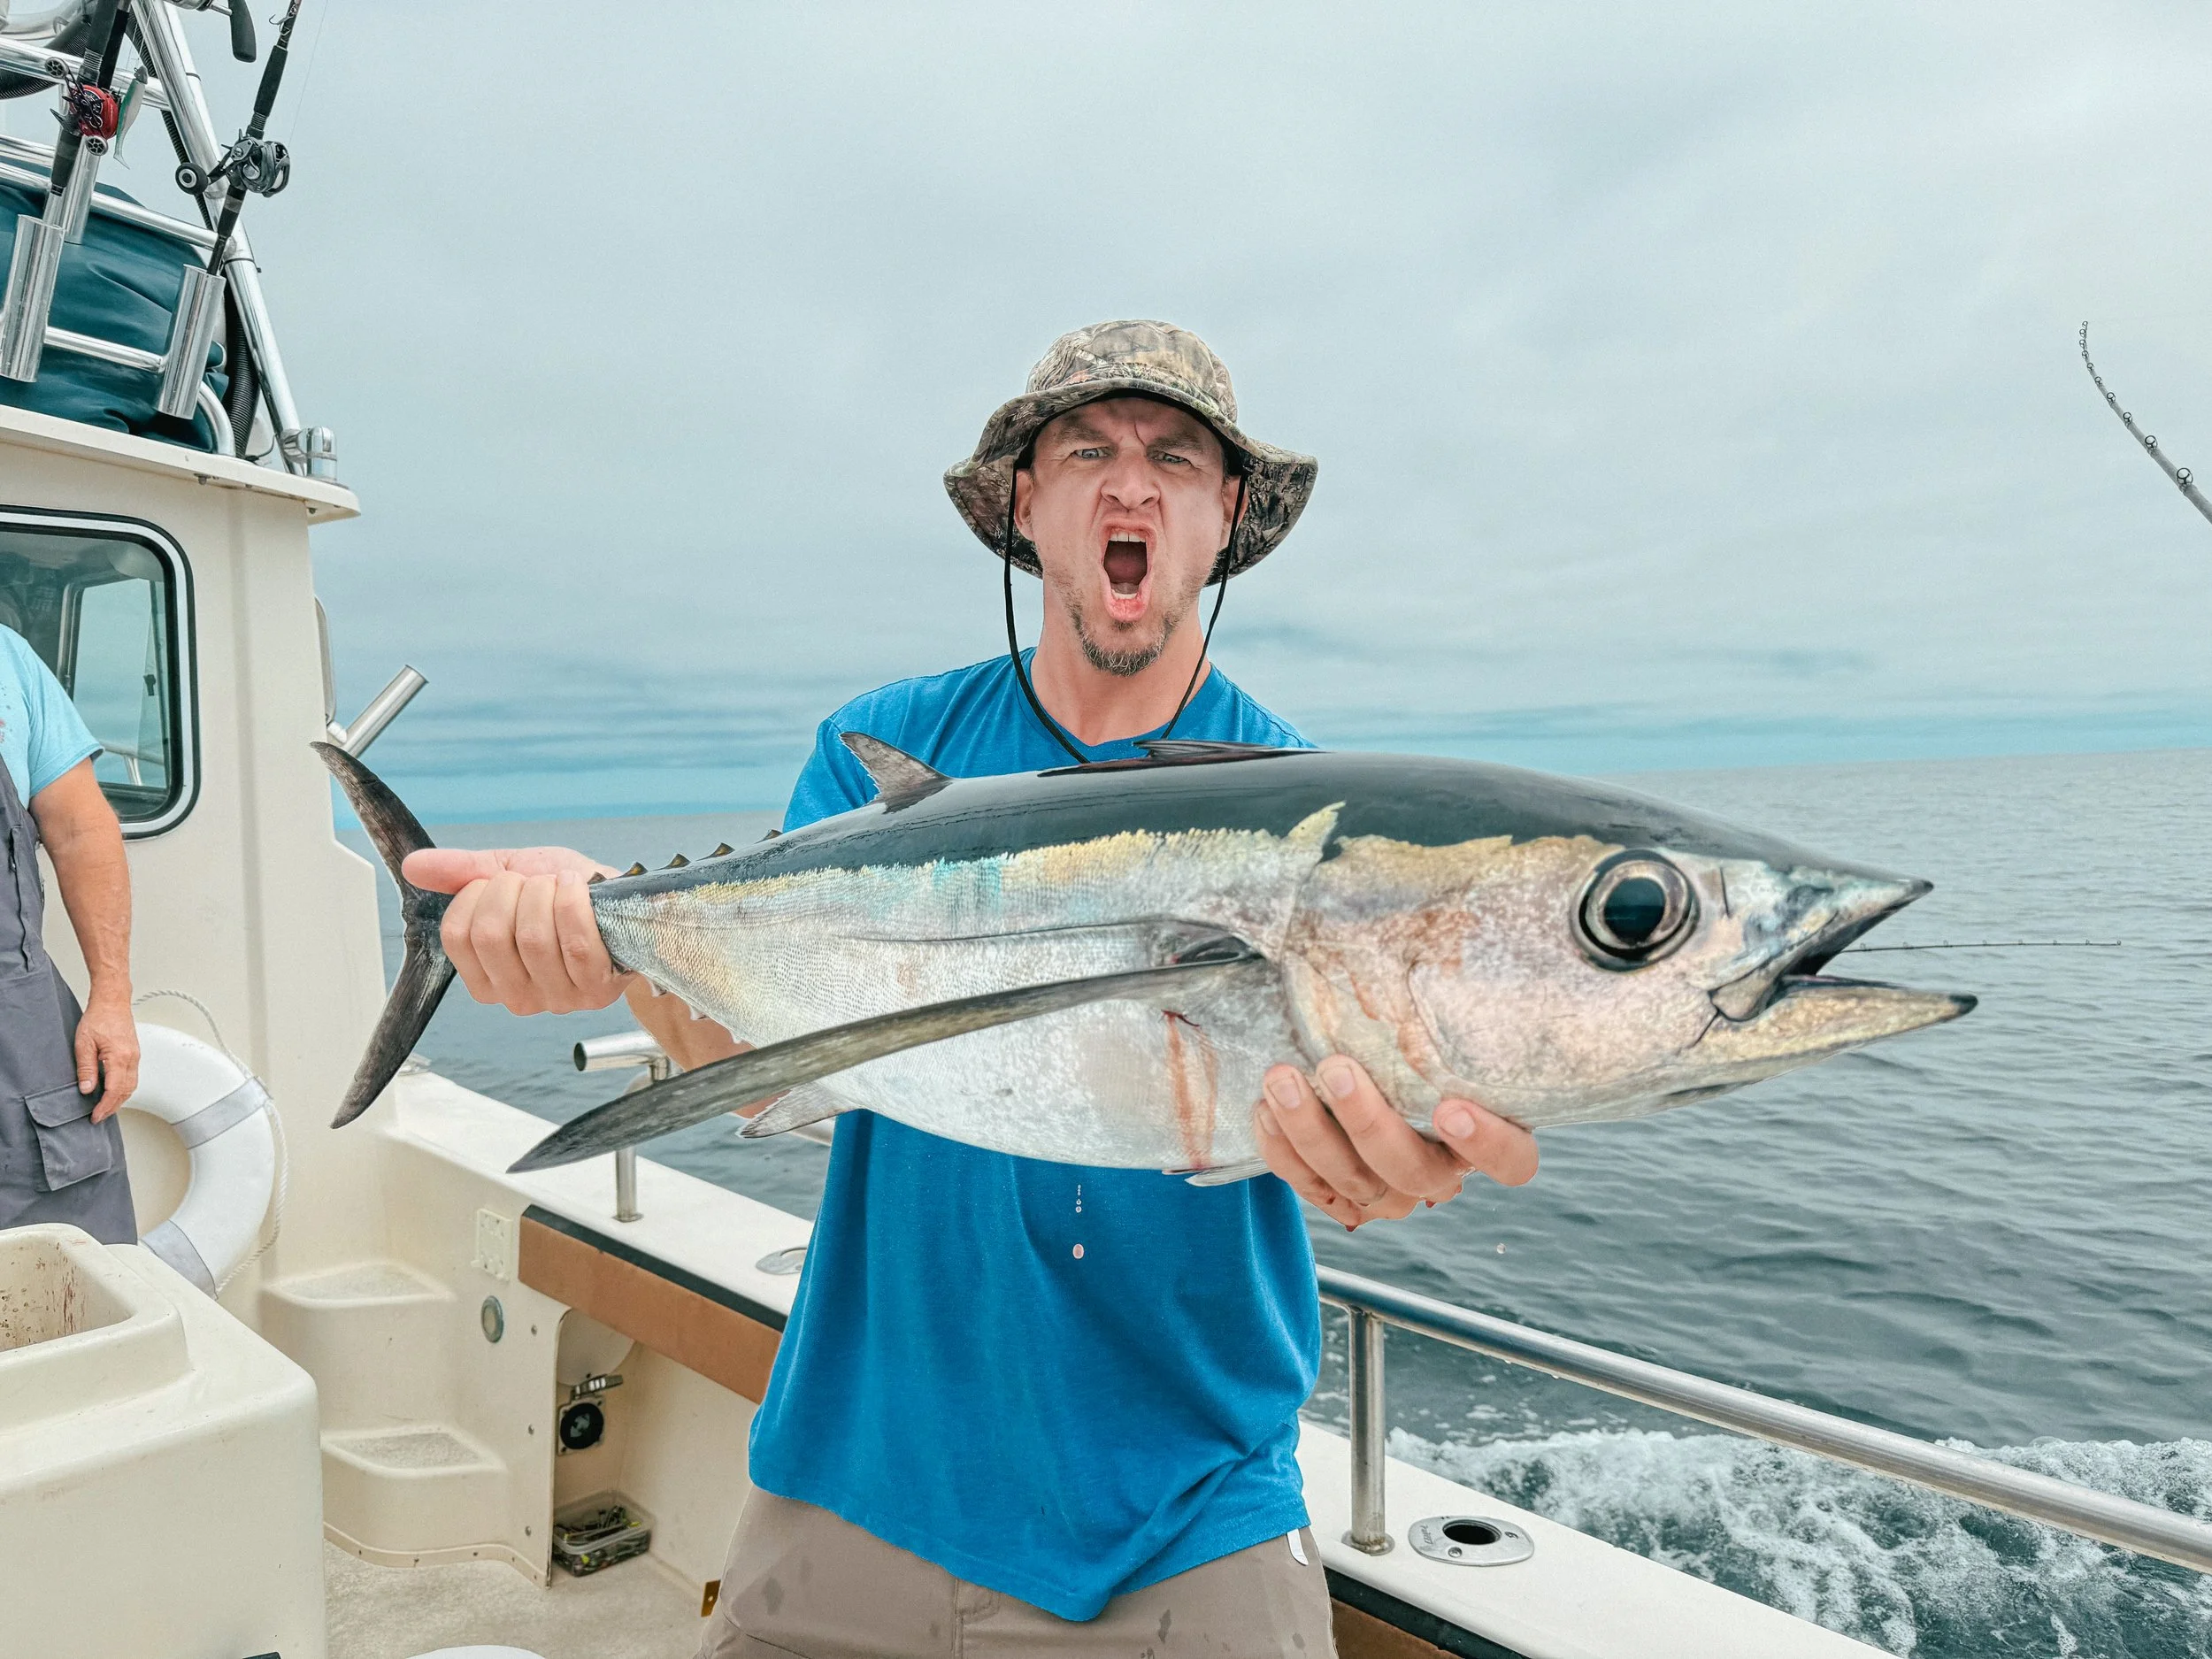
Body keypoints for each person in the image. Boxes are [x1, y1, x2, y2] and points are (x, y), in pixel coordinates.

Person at [406, 320, 1539, 1656]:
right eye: (1090, 451)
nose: (1134, 485)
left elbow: (1339, 1122)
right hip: (858, 1464)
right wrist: (599, 938)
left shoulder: (1312, 812)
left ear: (1225, 515)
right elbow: (748, 1033)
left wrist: (1381, 1166)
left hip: (1185, 1509)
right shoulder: (884, 755)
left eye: (1177, 458)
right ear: (1027, 503)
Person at [0, 623, 138, 1241]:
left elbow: (82, 831)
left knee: (79, 1287)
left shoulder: (8, 659)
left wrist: (111, 996)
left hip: (22, 1039)